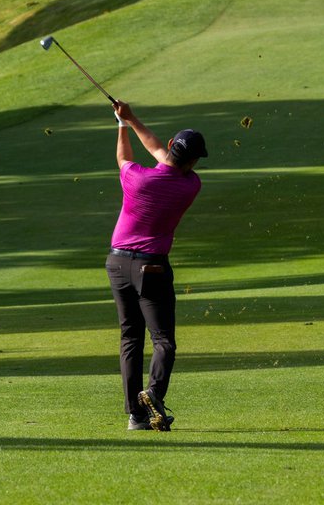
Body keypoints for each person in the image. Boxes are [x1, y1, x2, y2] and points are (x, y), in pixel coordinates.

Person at [106, 99, 207, 431]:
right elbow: (166, 159)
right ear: (193, 160)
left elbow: (125, 157)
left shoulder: (137, 179)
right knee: (163, 340)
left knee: (130, 337)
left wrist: (124, 123)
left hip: (118, 263)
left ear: (169, 148)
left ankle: (136, 416)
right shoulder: (190, 185)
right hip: (153, 268)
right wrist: (131, 118)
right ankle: (154, 394)